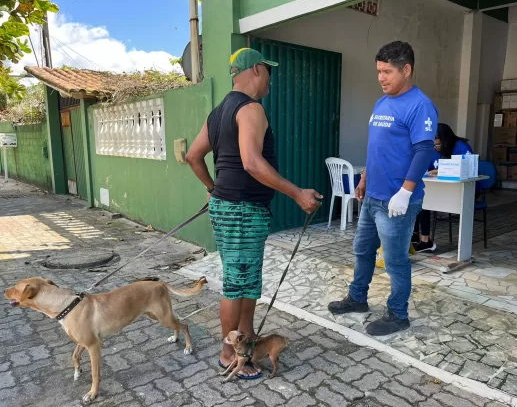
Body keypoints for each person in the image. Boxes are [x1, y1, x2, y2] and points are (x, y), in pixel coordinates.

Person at [185, 48, 322, 379]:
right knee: (236, 285)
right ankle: (229, 353)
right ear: (257, 70)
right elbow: (251, 162)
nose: (270, 81)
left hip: (232, 207)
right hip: (243, 210)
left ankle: (245, 342)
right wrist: (298, 194)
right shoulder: (251, 109)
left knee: (246, 283)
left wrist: (212, 189)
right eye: (269, 73)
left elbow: (193, 156)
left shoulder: (218, 113)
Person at [328, 41, 438, 336]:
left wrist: (405, 192)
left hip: (397, 201)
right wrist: (363, 179)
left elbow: (424, 151)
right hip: (372, 196)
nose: (381, 78)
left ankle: (398, 314)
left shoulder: (420, 105)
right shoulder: (381, 103)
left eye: (387, 71)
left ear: (406, 69)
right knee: (362, 250)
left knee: (395, 260)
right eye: (378, 71)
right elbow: (377, 147)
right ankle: (357, 298)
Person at [413, 123, 474, 252]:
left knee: (424, 201)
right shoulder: (432, 150)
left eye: (439, 145)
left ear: (447, 139)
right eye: (434, 145)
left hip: (462, 191)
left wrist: (440, 171)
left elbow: (469, 169)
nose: (436, 148)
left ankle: (425, 240)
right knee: (419, 200)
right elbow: (426, 169)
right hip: (438, 190)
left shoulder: (460, 146)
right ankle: (419, 238)